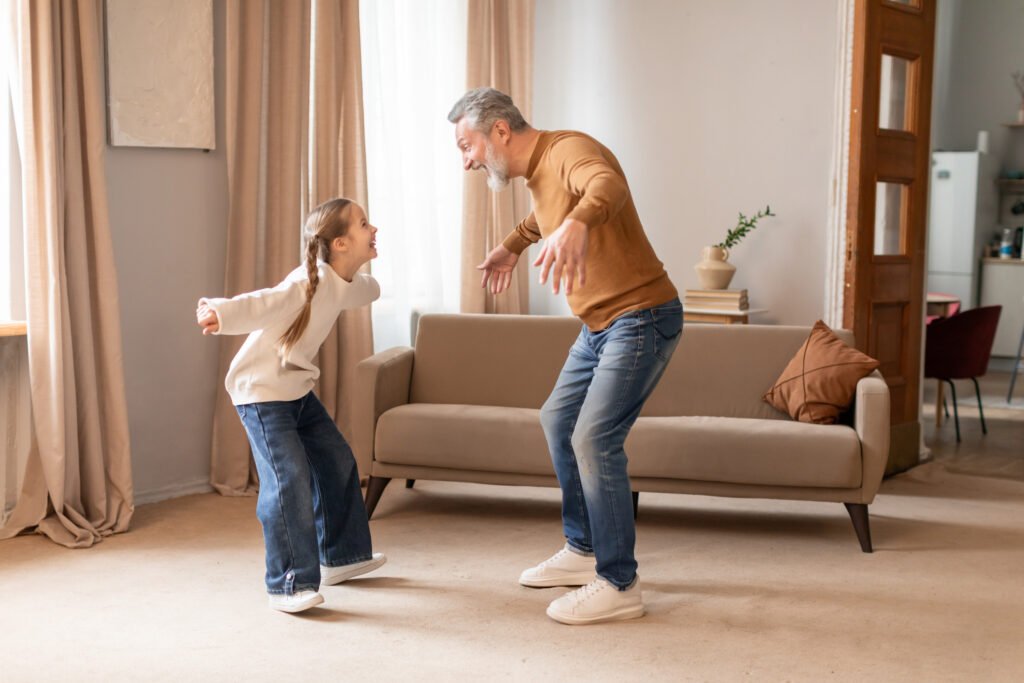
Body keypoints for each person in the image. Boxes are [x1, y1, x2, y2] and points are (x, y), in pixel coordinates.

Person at [449, 88, 683, 625]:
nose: (467, 162)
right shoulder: (539, 173)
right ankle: (583, 550)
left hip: (641, 317)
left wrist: (579, 224)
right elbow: (547, 215)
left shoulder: (568, 149)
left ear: (500, 131)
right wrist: (512, 244)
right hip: (598, 325)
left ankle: (620, 583)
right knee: (558, 419)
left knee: (594, 438)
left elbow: (606, 185)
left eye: (467, 146)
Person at [196, 198, 386, 614]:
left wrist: (371, 285)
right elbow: (264, 302)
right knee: (289, 482)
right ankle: (287, 584)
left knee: (337, 461)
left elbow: (367, 290)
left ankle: (342, 556)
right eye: (364, 224)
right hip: (262, 393)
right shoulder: (305, 283)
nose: (374, 229)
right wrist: (220, 312)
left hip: (295, 391)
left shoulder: (341, 281)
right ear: (339, 243)